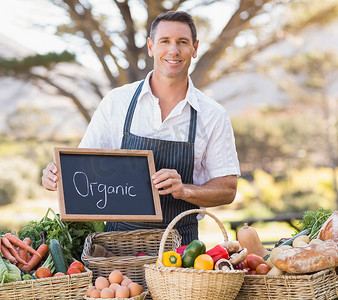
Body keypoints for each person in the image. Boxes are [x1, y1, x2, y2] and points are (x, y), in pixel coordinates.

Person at [41, 10, 240, 245]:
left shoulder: (212, 115)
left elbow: (227, 190)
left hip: (180, 251)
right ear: (151, 46)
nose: (173, 50)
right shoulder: (117, 102)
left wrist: (185, 190)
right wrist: (56, 177)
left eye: (182, 42)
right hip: (115, 249)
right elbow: (82, 169)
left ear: (195, 48)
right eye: (164, 41)